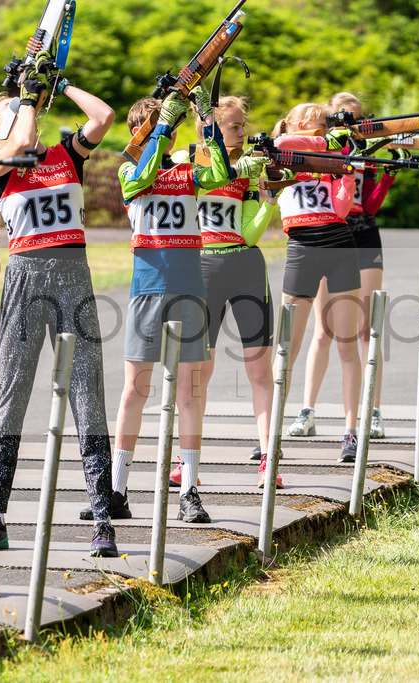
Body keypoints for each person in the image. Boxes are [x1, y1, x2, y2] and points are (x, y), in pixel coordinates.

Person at [0, 59, 119, 556]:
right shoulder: (0, 164)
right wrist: (24, 100)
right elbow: (18, 141)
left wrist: (61, 85)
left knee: (87, 389)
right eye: (15, 115)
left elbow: (102, 116)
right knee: (13, 392)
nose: (29, 116)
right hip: (26, 278)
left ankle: (103, 517)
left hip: (73, 278)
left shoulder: (65, 154)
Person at [112, 89, 260, 523]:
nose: (167, 136)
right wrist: (158, 130)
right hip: (148, 289)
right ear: (139, 133)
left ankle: (190, 490)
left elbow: (219, 174)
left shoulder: (184, 173)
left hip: (190, 289)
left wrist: (208, 126)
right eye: (158, 129)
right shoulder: (128, 171)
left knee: (190, 391)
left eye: (171, 128)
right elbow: (138, 181)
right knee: (135, 389)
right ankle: (117, 489)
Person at [171, 96, 282, 488]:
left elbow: (249, 232)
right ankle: (188, 463)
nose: (242, 131)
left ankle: (270, 458)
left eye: (242, 125)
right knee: (199, 371)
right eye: (234, 126)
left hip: (246, 265)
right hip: (202, 268)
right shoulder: (188, 161)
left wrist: (268, 201)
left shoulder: (252, 165)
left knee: (258, 368)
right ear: (211, 128)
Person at [286, 92, 396, 442]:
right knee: (322, 330)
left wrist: (387, 173)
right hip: (327, 232)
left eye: (358, 118)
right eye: (345, 117)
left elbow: (370, 203)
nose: (353, 124)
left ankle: (372, 412)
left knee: (365, 330)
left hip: (360, 234)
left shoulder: (363, 150)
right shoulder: (322, 148)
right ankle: (308, 411)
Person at [273, 103, 362, 463]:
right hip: (302, 248)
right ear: (297, 125)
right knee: (286, 349)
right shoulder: (280, 149)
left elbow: (341, 209)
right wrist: (322, 144)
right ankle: (271, 435)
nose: (324, 129)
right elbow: (281, 145)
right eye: (317, 124)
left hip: (339, 245)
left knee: (346, 345)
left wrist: (345, 170)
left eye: (325, 125)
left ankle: (350, 432)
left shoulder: (331, 156)